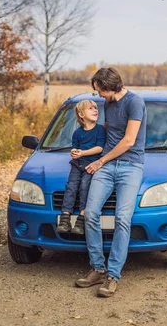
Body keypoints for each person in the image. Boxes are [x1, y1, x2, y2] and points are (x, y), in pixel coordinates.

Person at [75, 67, 147, 298]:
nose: (99, 96)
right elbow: (109, 131)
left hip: (130, 166)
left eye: (100, 91)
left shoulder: (135, 102)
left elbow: (128, 141)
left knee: (123, 219)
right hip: (107, 165)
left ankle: (113, 275)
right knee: (91, 213)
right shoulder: (108, 103)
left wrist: (100, 161)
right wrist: (88, 150)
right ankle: (97, 267)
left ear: (110, 86)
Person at [56, 100, 106, 235]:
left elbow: (99, 148)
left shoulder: (100, 130)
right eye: (91, 108)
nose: (95, 110)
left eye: (95, 108)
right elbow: (74, 148)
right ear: (81, 114)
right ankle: (65, 218)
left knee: (85, 186)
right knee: (71, 186)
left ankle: (81, 220)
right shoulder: (77, 133)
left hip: (91, 165)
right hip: (77, 164)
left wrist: (83, 153)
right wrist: (74, 152)